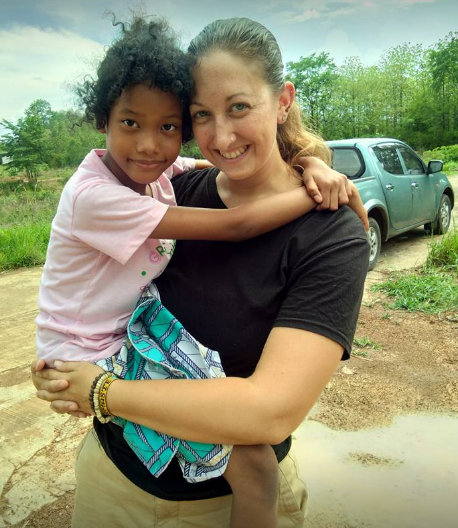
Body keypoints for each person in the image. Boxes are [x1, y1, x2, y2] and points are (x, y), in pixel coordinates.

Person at [32, 16, 370, 528]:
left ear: (283, 101)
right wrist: (315, 184)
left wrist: (100, 391)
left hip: (221, 508)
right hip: (111, 486)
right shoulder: (173, 195)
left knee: (254, 468)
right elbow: (232, 220)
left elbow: (270, 411)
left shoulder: (330, 235)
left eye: (239, 107)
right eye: (201, 115)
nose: (221, 135)